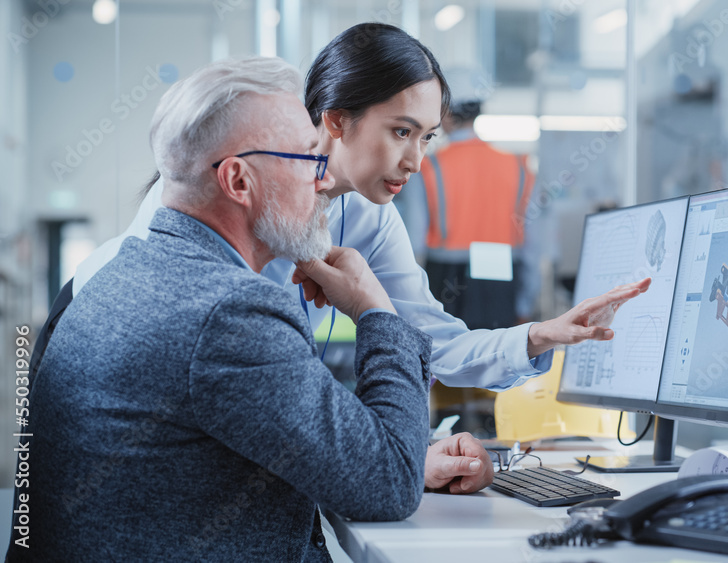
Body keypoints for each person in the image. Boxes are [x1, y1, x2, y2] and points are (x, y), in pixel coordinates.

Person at [7, 57, 485, 561]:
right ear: (238, 181)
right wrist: (375, 313)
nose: (320, 180)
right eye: (306, 159)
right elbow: (387, 487)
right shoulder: (229, 313)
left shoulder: (135, 269)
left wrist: (398, 456)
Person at [71, 22, 650, 393]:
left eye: (426, 138)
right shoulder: (224, 188)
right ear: (336, 120)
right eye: (401, 131)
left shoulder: (370, 216)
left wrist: (540, 335)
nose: (417, 160)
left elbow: (430, 339)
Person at [405, 97, 539, 330]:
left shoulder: (428, 166)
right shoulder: (518, 165)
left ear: (446, 116)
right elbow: (533, 244)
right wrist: (525, 303)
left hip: (445, 276)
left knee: (445, 358)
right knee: (496, 355)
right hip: (500, 274)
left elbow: (413, 241)